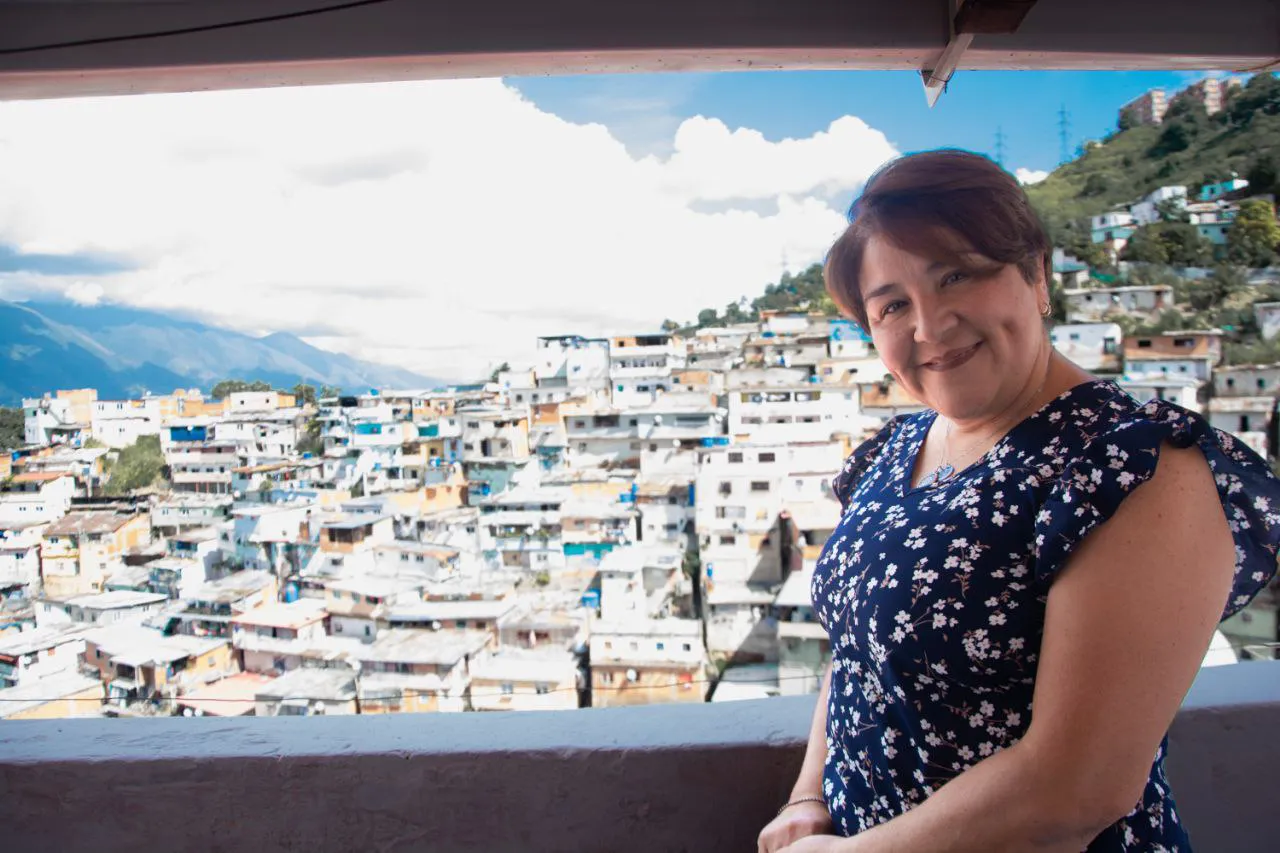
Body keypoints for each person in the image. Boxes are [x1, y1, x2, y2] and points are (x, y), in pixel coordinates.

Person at [756, 149, 1280, 853]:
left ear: (1036, 273)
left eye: (956, 275)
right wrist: (808, 797)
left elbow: (1077, 787)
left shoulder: (1135, 464)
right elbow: (859, 651)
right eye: (892, 305)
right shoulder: (890, 453)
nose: (929, 326)